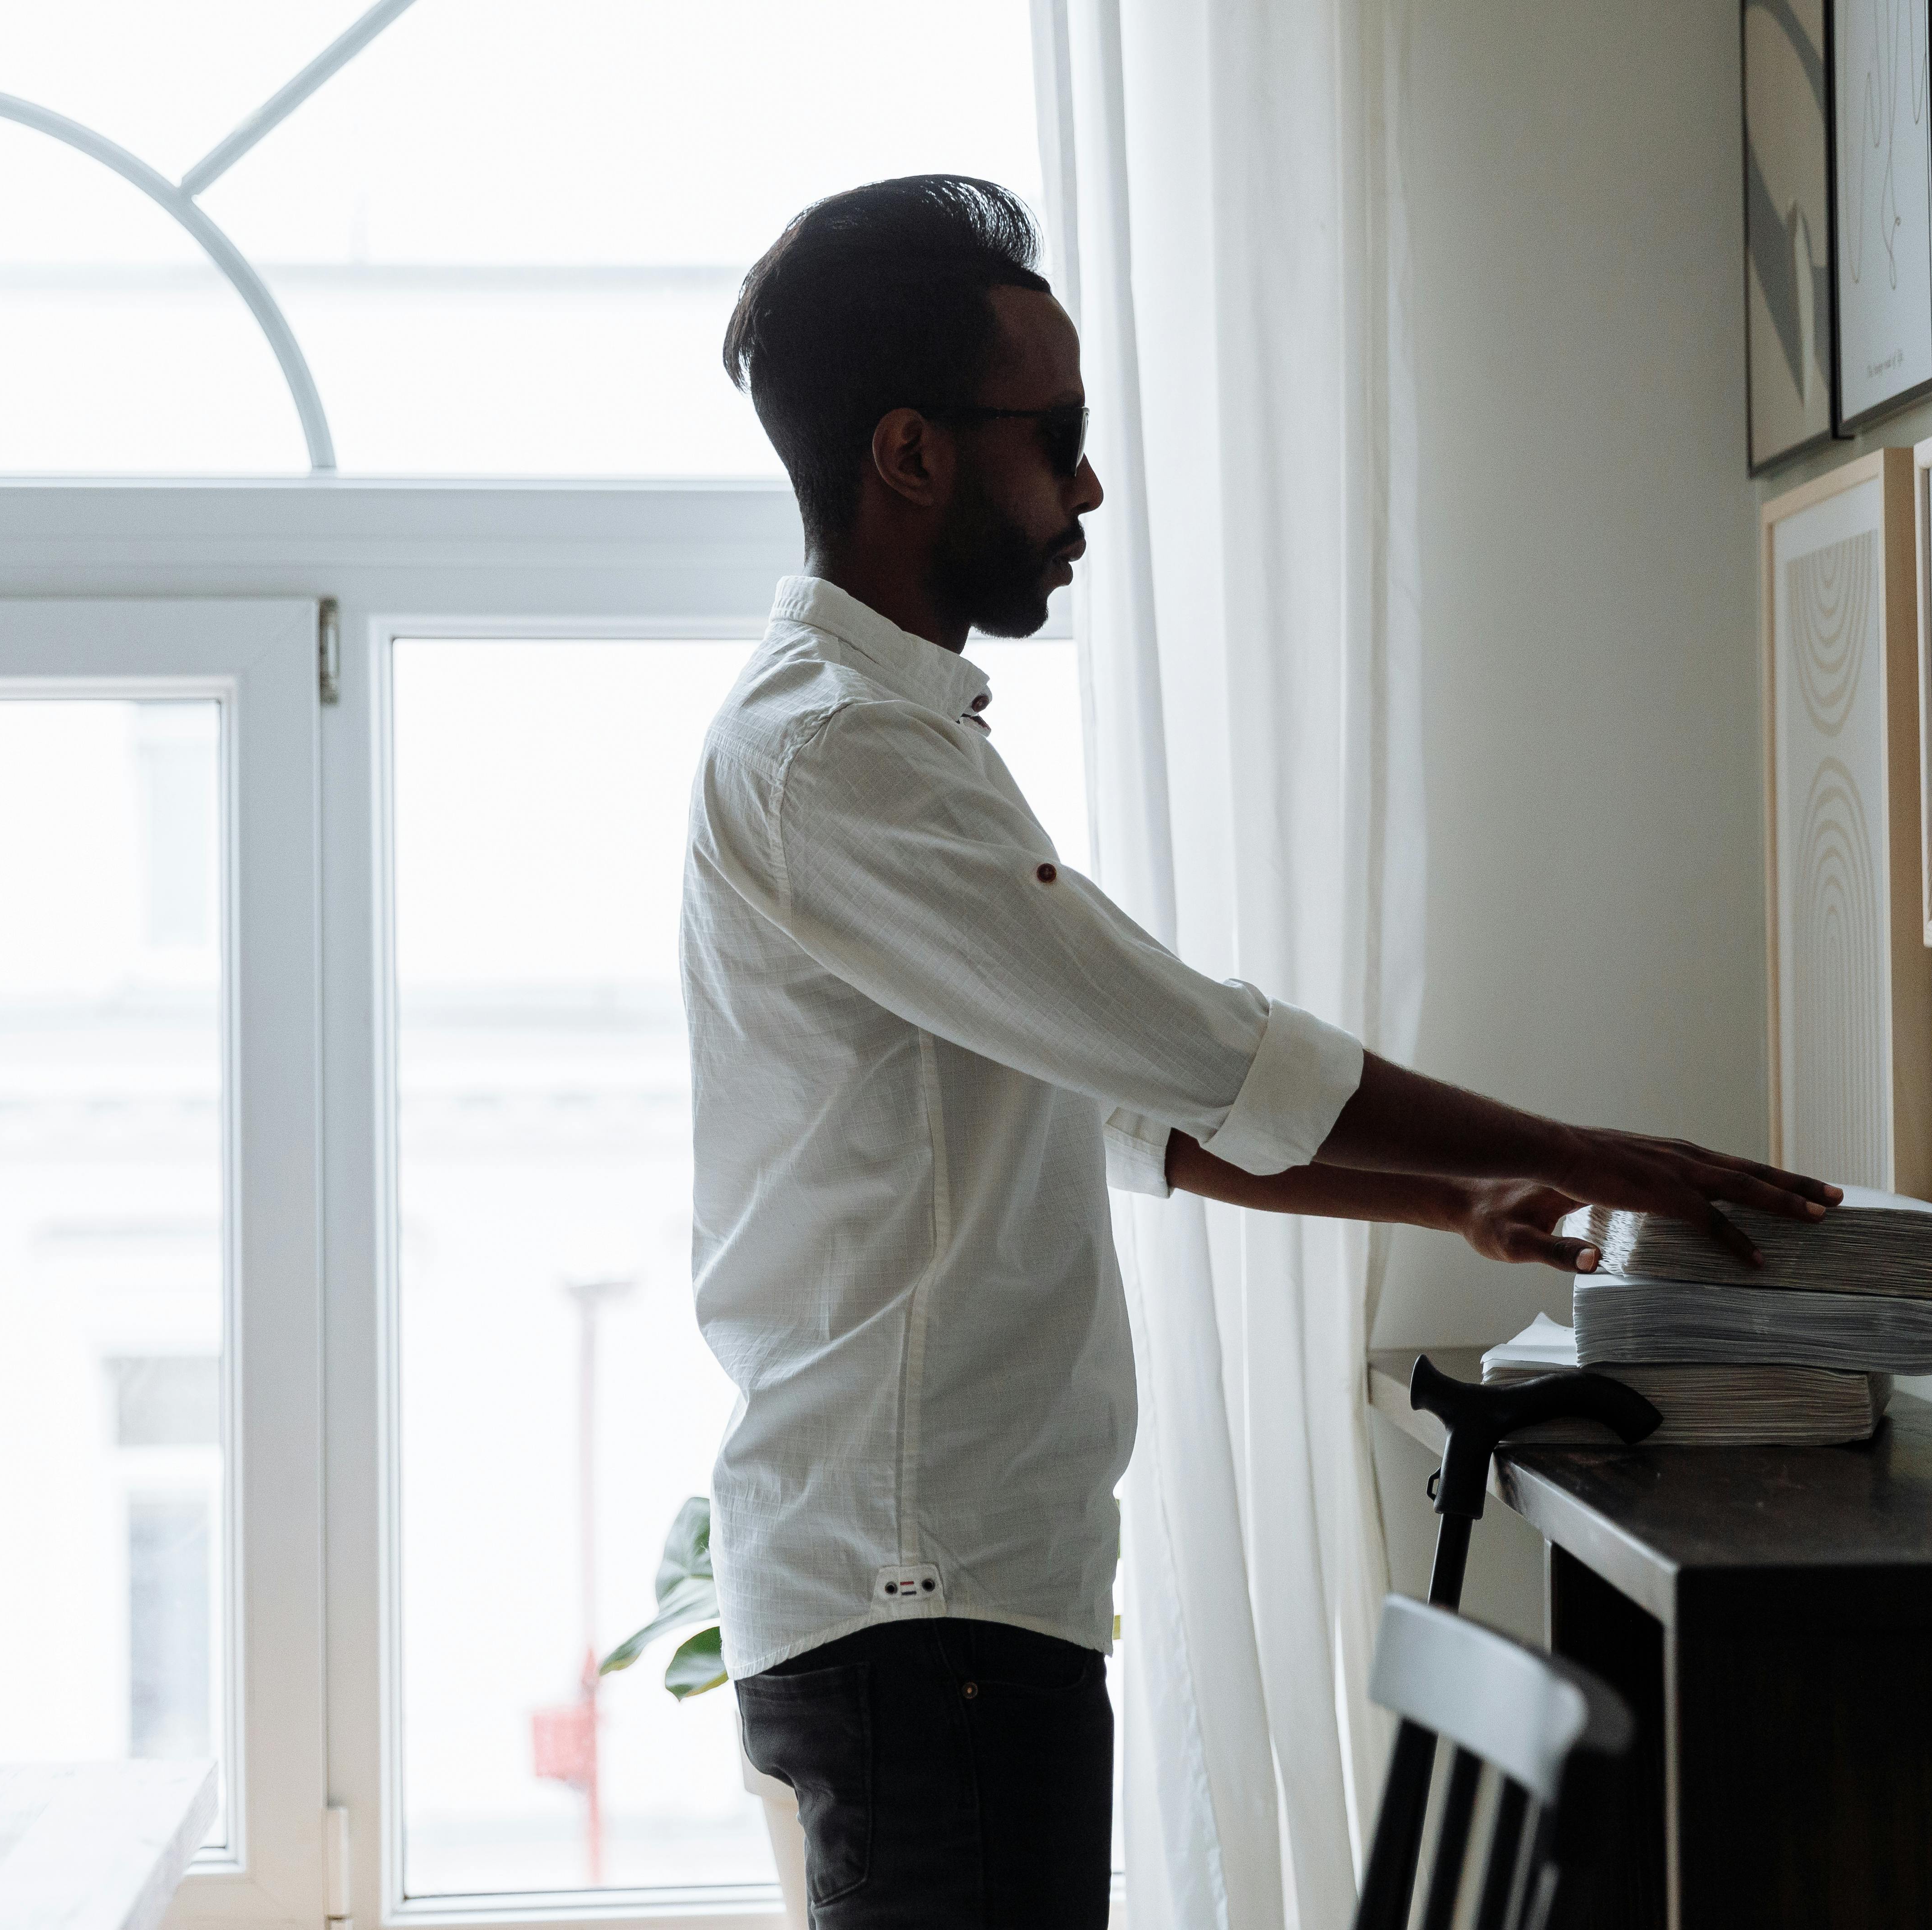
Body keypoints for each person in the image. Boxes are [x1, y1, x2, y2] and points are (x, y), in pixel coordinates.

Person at [683, 173, 1839, 1929]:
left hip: (948, 1597)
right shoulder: (837, 756)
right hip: (920, 1607)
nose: (1084, 487)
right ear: (908, 454)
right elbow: (1189, 1043)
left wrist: (1450, 1192)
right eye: (1050, 435)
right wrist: (1617, 1157)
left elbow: (1097, 1107)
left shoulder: (893, 739)